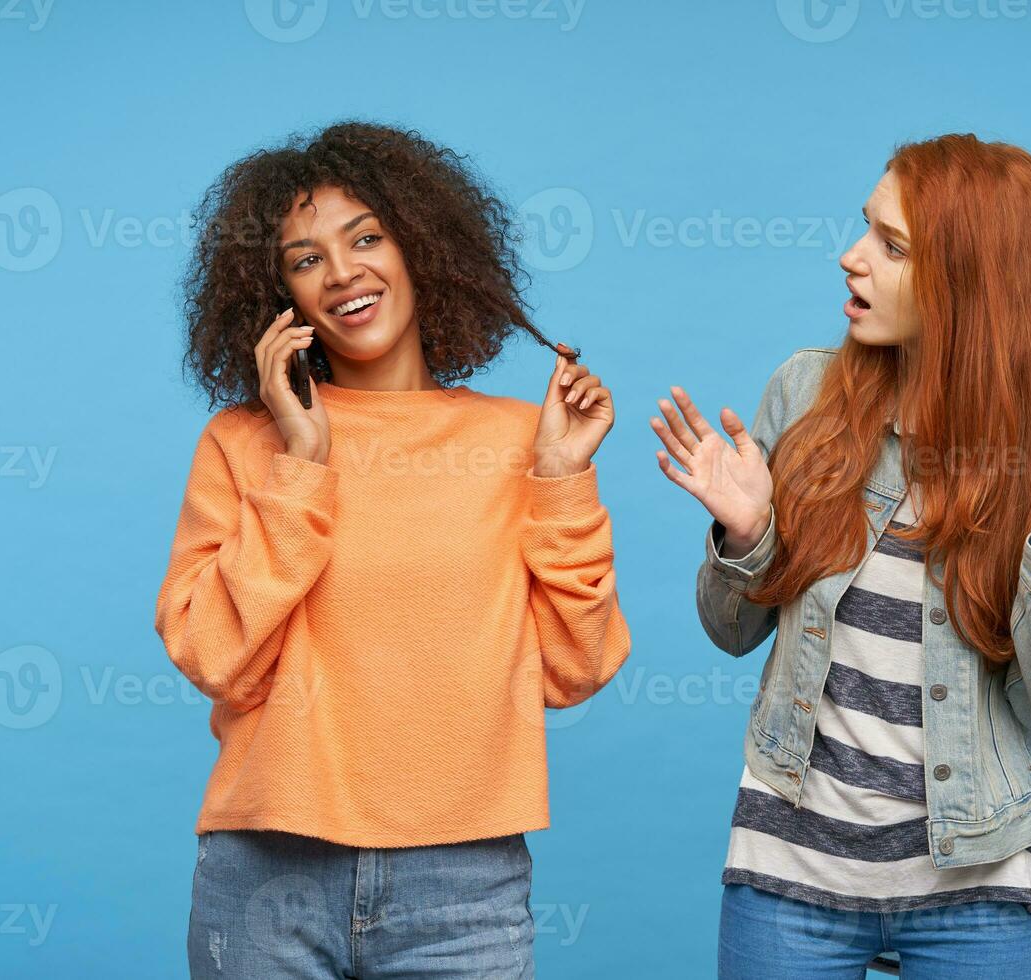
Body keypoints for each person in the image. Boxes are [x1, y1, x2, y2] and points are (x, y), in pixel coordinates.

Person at [650, 133, 1031, 978]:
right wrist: (747, 537)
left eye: (892, 247)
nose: (850, 259)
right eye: (865, 231)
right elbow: (731, 632)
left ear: (969, 280)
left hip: (981, 874)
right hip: (792, 867)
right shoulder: (805, 397)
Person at [154, 120, 630, 979]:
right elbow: (216, 657)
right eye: (305, 259)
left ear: (423, 250)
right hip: (267, 870)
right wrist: (300, 465)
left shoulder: (520, 439)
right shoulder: (242, 443)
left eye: (366, 237)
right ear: (278, 299)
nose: (342, 274)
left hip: (463, 881)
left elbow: (574, 668)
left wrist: (560, 477)